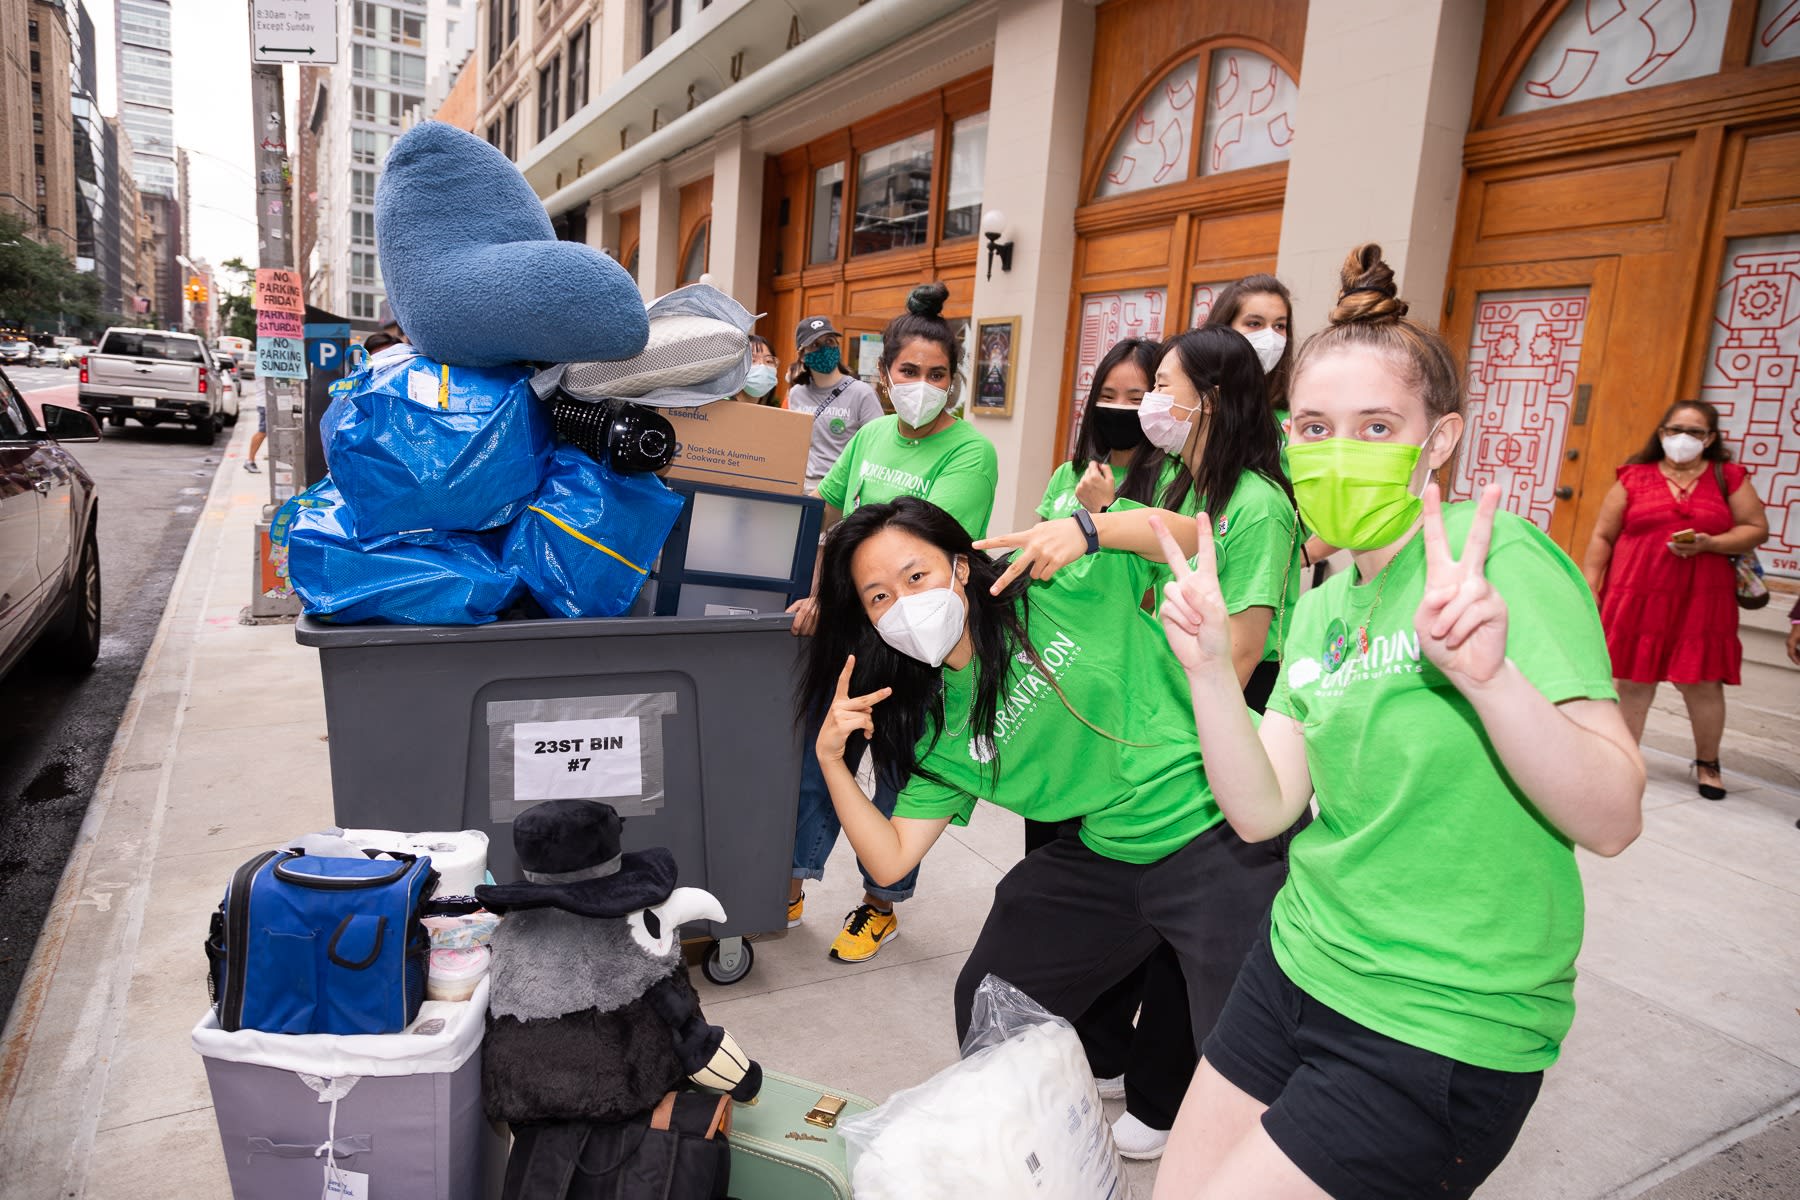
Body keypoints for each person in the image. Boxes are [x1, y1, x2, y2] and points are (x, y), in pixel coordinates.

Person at [1143, 244, 1644, 1200]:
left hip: (1440, 1021)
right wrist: (1211, 675)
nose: (1339, 451)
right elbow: (1263, 810)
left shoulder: (1503, 569)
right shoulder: (1327, 608)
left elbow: (1615, 816)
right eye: (1316, 427)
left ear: (1439, 439)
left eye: (1378, 426)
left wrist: (1491, 681)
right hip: (1298, 964)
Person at [803, 495, 1286, 1149]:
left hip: (1223, 826)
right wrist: (832, 761)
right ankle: (1036, 1155)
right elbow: (890, 861)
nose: (905, 605)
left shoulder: (1055, 587)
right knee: (992, 997)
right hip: (1109, 850)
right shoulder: (930, 725)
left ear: (962, 567)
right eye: (880, 596)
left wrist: (1091, 530)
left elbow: (1193, 543)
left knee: (1248, 1057)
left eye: (916, 577)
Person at [985, 325, 1302, 1158]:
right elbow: (1157, 533)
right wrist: (1084, 526)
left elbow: (1236, 656)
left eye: (1164, 384)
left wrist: (1095, 541)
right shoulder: (1199, 489)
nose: (1150, 404)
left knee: (1199, 943)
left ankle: (1183, 1104)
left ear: (1215, 399)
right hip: (1175, 717)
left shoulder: (1260, 506)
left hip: (1220, 729)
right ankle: (1135, 1072)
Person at [785, 283, 999, 964]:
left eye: (937, 375)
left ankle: (881, 903)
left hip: (916, 645)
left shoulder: (971, 453)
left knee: (901, 775)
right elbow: (829, 513)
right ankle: (789, 882)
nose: (921, 386)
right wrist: (816, 585)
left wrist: (851, 550)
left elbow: (922, 541)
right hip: (849, 632)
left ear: (955, 382)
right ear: (884, 375)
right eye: (908, 372)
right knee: (821, 764)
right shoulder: (873, 431)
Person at [1581, 399, 1769, 799]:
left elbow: (1756, 528)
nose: (1683, 439)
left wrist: (1712, 543)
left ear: (1711, 438)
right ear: (1661, 434)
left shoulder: (1728, 476)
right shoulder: (1633, 477)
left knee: (1701, 683)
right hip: (1637, 594)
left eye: (1695, 432)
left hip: (1703, 598)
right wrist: (1591, 585)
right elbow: (1602, 536)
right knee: (1633, 681)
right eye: (1674, 430)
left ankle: (1708, 764)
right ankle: (1624, 759)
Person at [1036, 338, 1162, 519]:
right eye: (1107, 396)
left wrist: (1104, 510)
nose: (1119, 407)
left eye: (1136, 399)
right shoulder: (1068, 473)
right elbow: (1040, 540)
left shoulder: (1174, 483)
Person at [785, 316, 885, 494]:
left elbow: (878, 447)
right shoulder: (796, 394)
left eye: (830, 341)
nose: (824, 349)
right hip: (803, 487)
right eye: (815, 345)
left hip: (842, 489)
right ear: (802, 355)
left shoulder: (862, 393)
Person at [734, 335, 780, 404]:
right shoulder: (718, 408)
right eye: (753, 360)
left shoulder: (771, 412)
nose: (762, 366)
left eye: (768, 361)